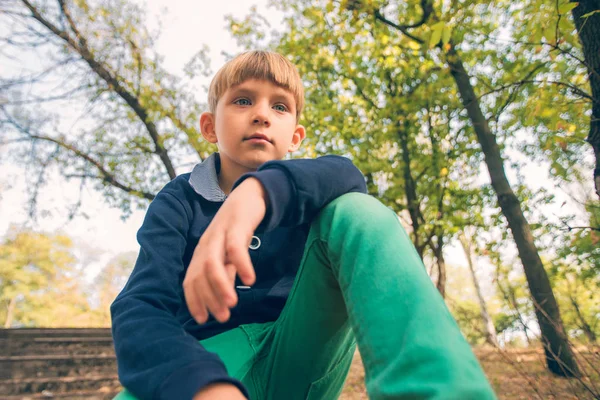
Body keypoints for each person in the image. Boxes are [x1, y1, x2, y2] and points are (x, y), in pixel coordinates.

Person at [111, 50, 496, 400]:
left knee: (358, 209)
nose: (262, 114)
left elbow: (346, 173)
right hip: (203, 359)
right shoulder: (178, 201)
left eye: (280, 106)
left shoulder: (313, 187)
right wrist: (198, 383)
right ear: (210, 128)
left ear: (295, 138)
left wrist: (256, 192)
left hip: (300, 353)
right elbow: (140, 306)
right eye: (243, 100)